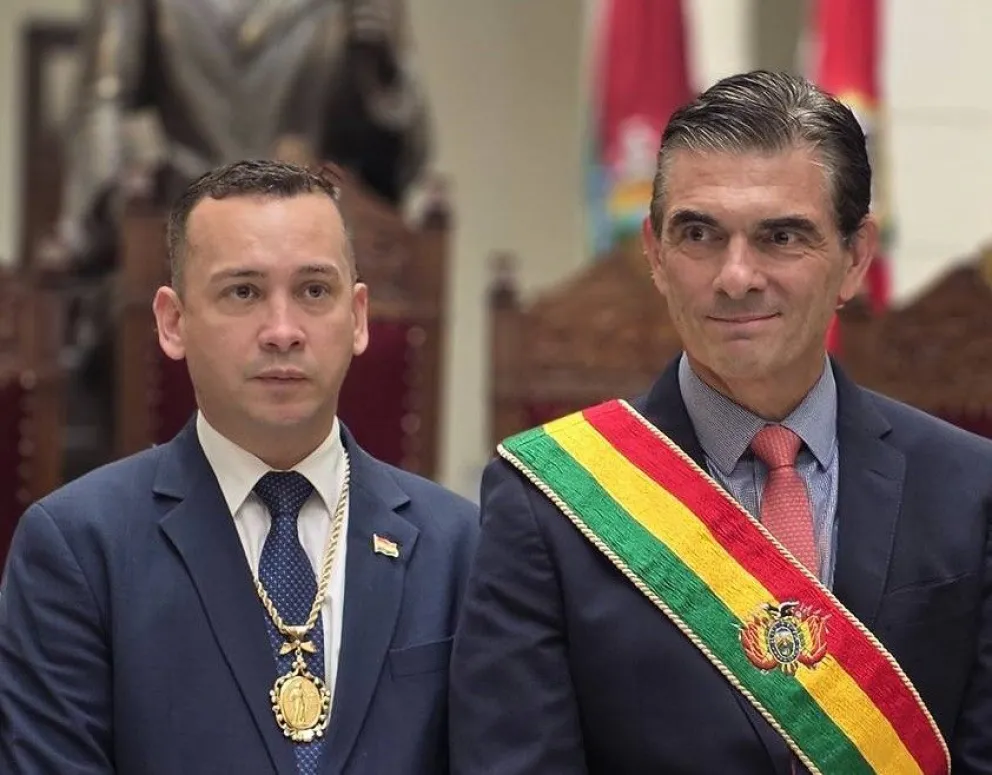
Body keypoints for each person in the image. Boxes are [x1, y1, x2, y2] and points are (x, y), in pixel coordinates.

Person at [449, 70, 992, 774]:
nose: (736, 277)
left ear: (855, 257)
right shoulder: (547, 503)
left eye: (781, 236)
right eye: (700, 234)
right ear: (655, 253)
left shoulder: (969, 490)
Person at [0, 159, 478, 775]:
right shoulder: (79, 548)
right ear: (173, 322)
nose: (282, 331)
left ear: (357, 317)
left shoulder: (459, 545)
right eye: (243, 292)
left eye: (314, 291)